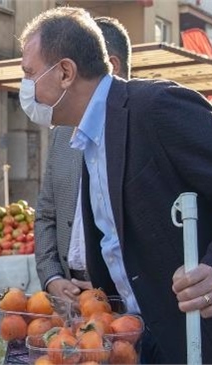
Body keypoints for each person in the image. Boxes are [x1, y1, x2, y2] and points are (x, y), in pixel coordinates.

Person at [19, 7, 212, 364]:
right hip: (140, 339)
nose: (25, 87)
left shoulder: (157, 106)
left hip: (207, 340)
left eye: (29, 73)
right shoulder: (85, 138)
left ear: (66, 72)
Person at [35, 16, 132, 302]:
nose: (29, 87)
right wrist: (52, 277)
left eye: (32, 73)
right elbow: (46, 213)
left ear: (109, 66)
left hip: (127, 298)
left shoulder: (145, 123)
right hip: (73, 295)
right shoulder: (61, 134)